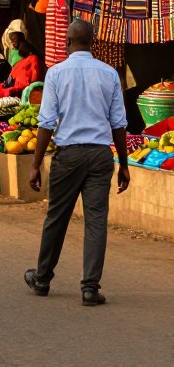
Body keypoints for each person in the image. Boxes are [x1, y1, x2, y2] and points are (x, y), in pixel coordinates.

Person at [24, 20, 129, 307]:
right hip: (99, 156)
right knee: (96, 221)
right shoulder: (109, 74)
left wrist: (35, 164)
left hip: (68, 155)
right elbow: (119, 124)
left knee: (57, 216)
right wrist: (125, 163)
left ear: (68, 42)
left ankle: (42, 278)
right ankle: (90, 288)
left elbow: (46, 123)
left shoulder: (57, 74)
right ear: (92, 42)